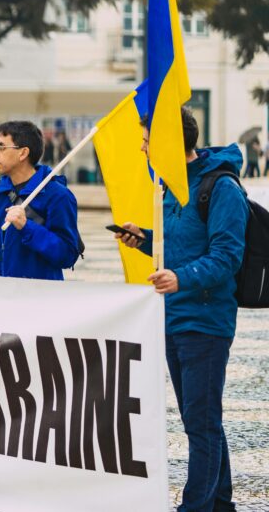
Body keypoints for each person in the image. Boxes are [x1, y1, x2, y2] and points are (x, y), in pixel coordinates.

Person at [117, 108, 246, 512]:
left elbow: (227, 256)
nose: (142, 147)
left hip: (205, 321)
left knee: (201, 423)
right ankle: (220, 502)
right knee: (200, 418)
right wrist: (145, 238)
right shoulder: (171, 185)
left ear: (169, 143)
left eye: (147, 140)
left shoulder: (221, 187)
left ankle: (196, 507)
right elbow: (183, 241)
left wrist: (181, 277)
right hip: (172, 317)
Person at [0, 120, 82, 280]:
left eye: (1, 147)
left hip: (37, 294)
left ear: (23, 153)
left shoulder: (58, 196)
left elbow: (67, 255)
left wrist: (27, 227)